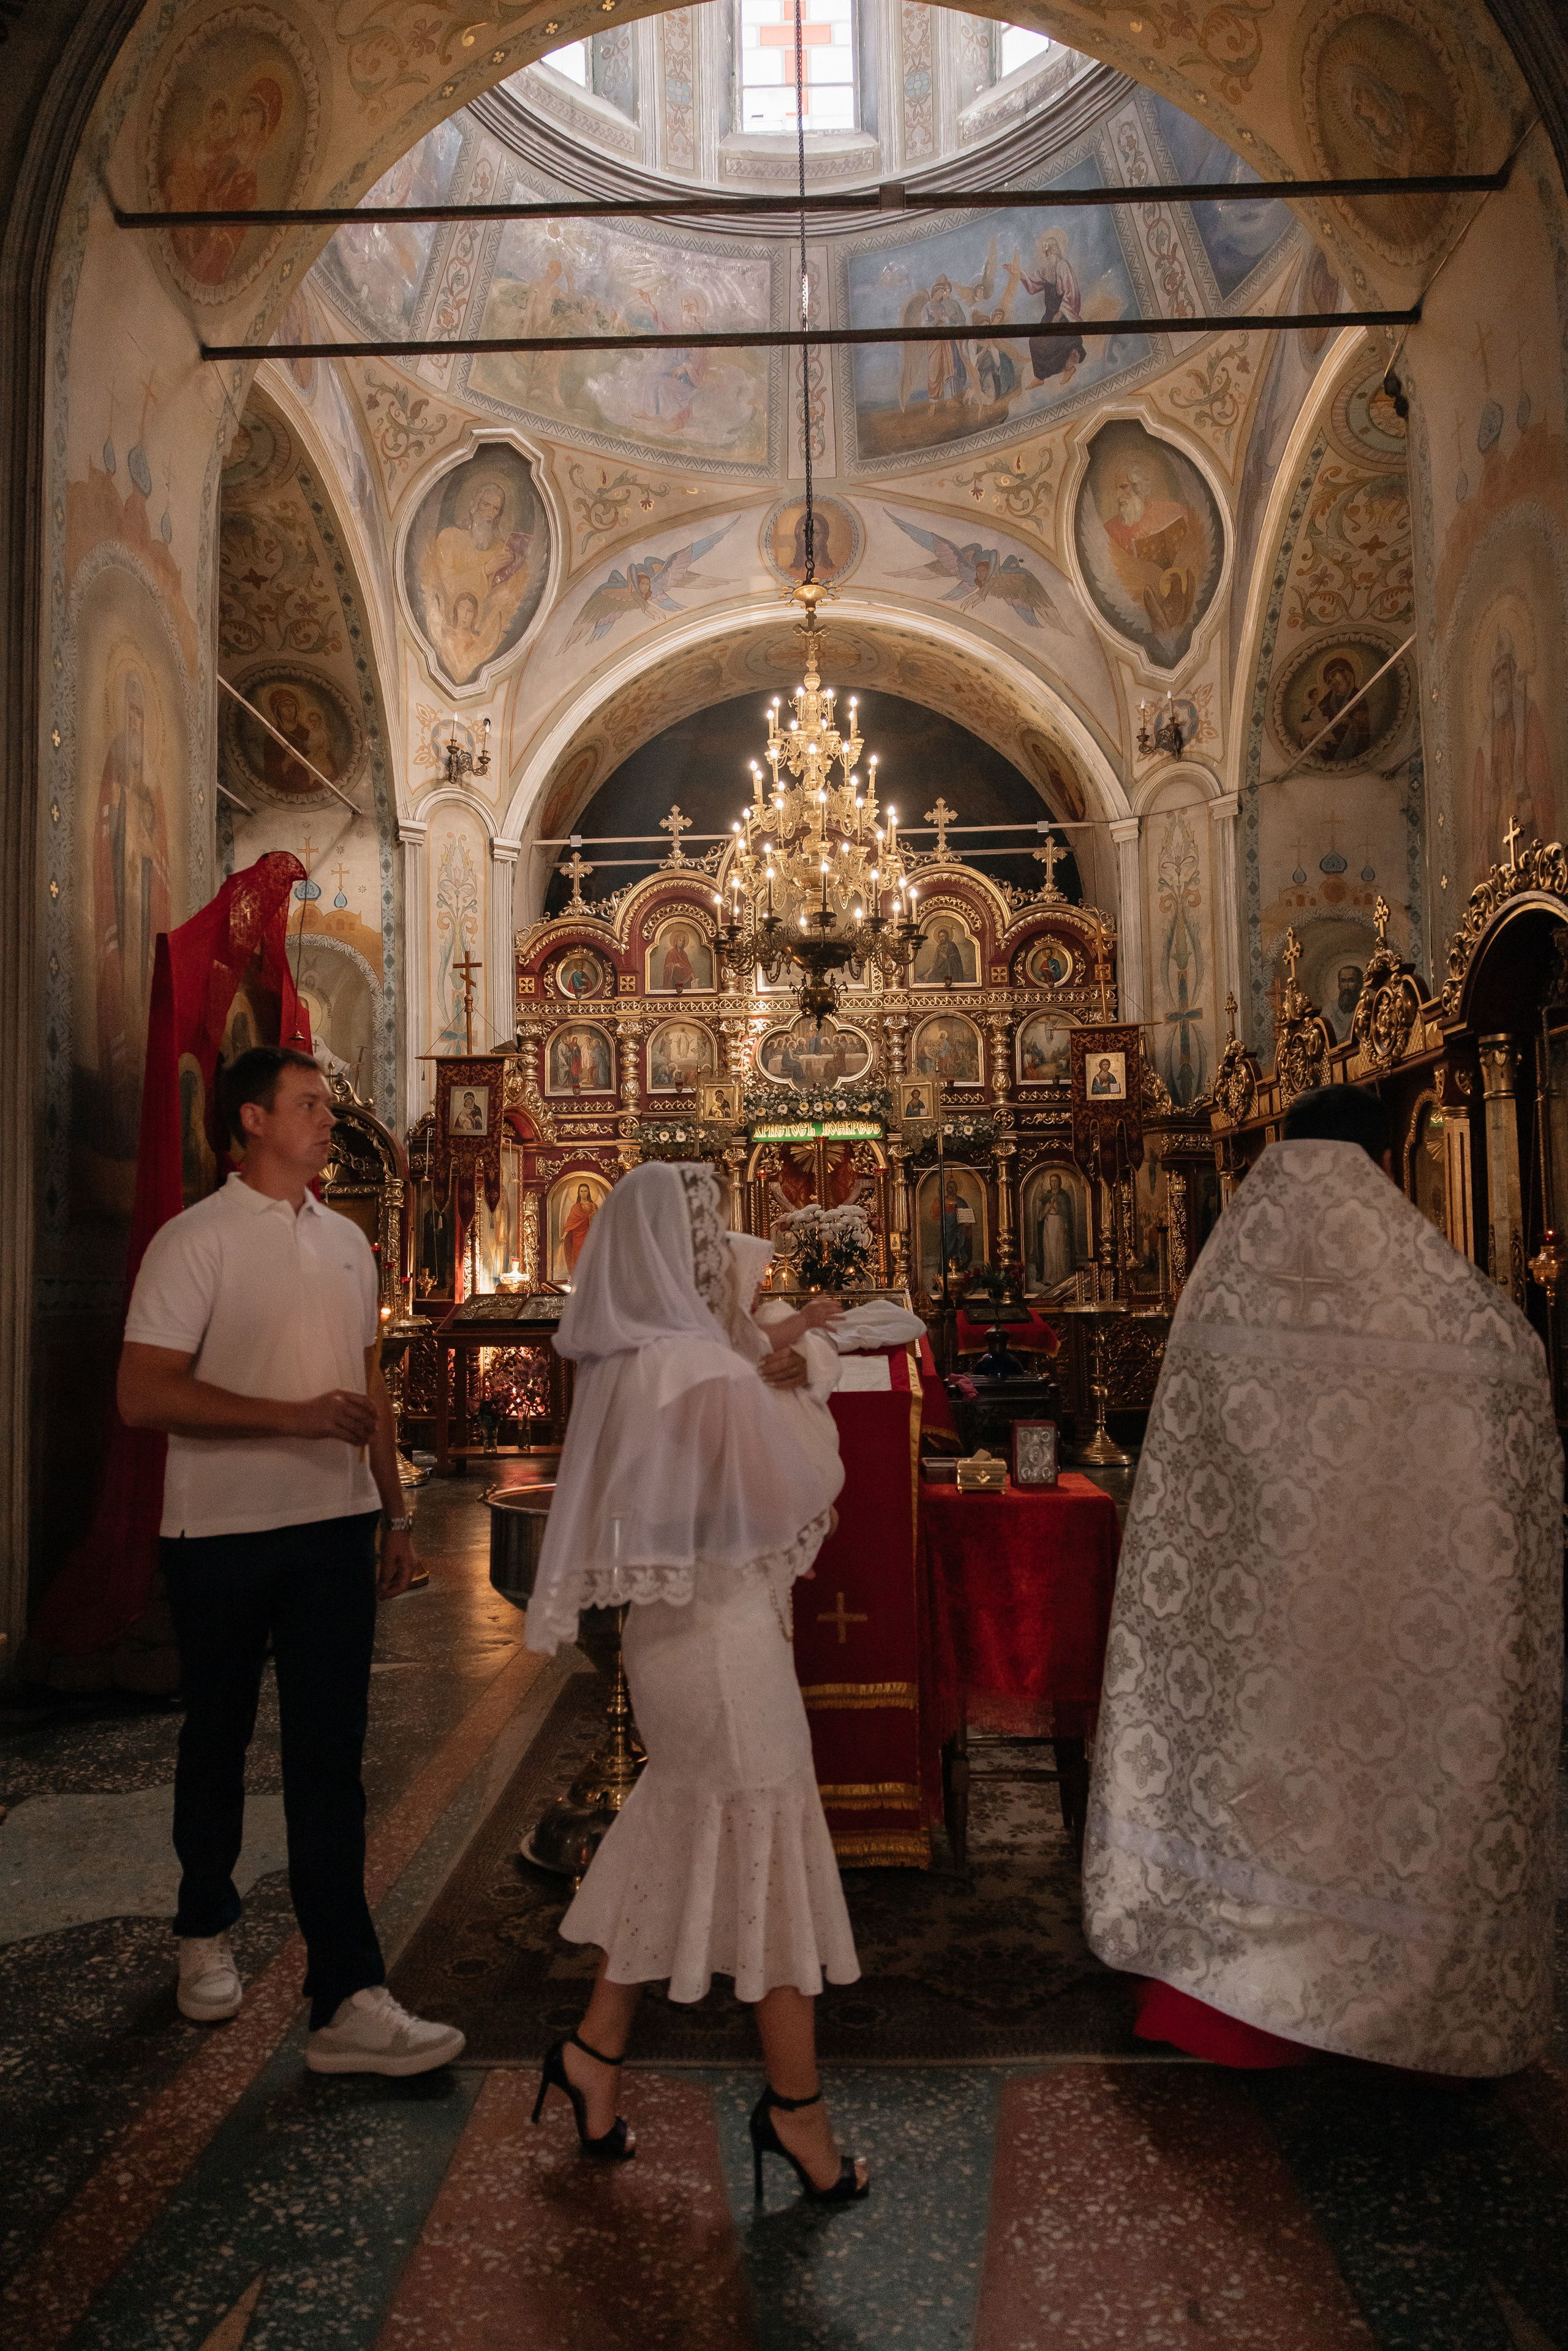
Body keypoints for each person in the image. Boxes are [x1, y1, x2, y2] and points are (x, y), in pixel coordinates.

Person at [1082, 1082, 1562, 2077]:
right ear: (1390, 1163)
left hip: (1255, 1618)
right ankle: (1386, 1988)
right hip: (1388, 1619)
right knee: (1379, 1783)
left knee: (1256, 1774)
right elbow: (1509, 1366)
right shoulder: (1436, 1301)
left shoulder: (1226, 1280)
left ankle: (1222, 1984)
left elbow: (1186, 1477)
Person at [522, 1164, 869, 2203]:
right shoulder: (705, 1370)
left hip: (665, 1642)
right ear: (690, 1256)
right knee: (765, 1847)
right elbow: (797, 1492)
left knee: (677, 1826)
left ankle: (593, 2051)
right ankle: (796, 2112)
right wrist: (805, 1379)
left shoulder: (634, 1362)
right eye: (715, 1241)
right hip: (723, 1645)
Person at [117, 1047, 466, 2075]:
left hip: (331, 1530)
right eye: (310, 1106)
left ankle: (349, 1993)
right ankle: (203, 1930)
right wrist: (292, 1417)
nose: (328, 1120)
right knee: (216, 1738)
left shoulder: (350, 1246)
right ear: (253, 1121)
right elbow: (143, 1394)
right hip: (217, 1534)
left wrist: (394, 1512)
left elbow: (366, 1386)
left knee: (330, 1762)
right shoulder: (195, 1241)